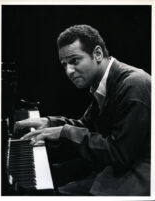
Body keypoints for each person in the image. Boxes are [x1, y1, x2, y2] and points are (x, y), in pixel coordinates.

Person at [14, 25, 151, 196]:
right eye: (64, 65)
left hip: (141, 176)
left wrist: (66, 132)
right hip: (117, 168)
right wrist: (50, 122)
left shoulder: (133, 84)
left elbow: (119, 153)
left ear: (98, 54)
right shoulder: (104, 82)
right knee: (46, 180)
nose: (69, 71)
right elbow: (88, 126)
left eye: (74, 61)